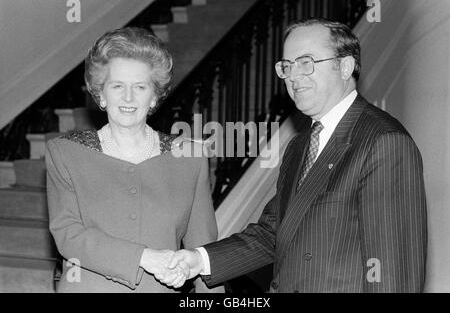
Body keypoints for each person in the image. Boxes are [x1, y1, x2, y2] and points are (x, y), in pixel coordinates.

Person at [163, 18, 428, 292]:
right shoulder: (299, 146)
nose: (292, 76)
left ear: (345, 66)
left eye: (306, 62)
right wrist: (198, 260)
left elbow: (396, 275)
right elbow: (273, 234)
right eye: (286, 66)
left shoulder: (383, 142)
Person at [46, 27, 222, 292]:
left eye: (140, 87)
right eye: (117, 86)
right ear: (101, 95)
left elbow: (204, 252)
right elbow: (68, 236)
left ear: (154, 97)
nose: (128, 98)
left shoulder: (191, 157)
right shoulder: (65, 153)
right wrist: (144, 257)